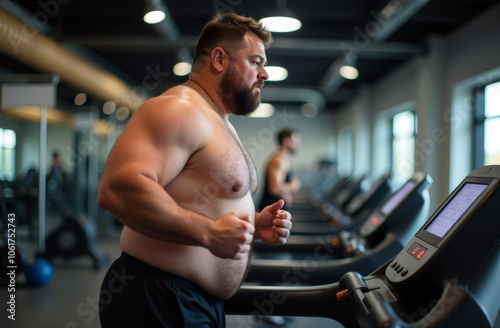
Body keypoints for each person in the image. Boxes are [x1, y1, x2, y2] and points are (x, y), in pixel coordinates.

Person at [97, 11, 293, 327]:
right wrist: (208, 233)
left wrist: (254, 224)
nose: (265, 73)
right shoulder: (179, 109)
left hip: (193, 301)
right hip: (158, 298)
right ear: (219, 59)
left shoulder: (219, 120)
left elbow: (196, 199)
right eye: (256, 62)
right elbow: (117, 189)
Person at [259, 128, 302, 211]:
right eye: (295, 140)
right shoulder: (279, 160)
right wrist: (293, 186)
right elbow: (274, 188)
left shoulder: (284, 159)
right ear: (286, 141)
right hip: (269, 210)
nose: (298, 144)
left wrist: (285, 194)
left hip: (275, 208)